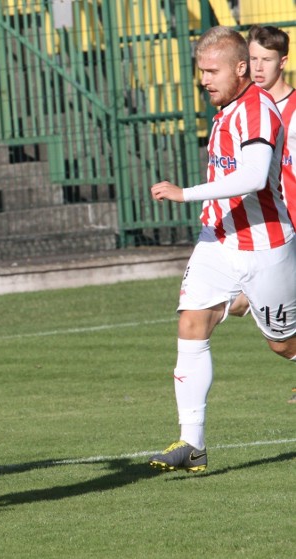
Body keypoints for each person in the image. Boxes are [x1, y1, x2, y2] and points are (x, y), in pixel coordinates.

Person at [148, 26, 296, 473]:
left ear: (240, 68)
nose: (204, 80)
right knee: (193, 321)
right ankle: (191, 444)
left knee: (284, 346)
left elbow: (252, 177)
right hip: (218, 239)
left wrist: (184, 193)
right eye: (200, 73)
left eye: (212, 71)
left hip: (265, 244)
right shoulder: (228, 108)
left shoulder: (256, 110)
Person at [232, 25, 296, 404]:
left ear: (282, 62)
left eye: (265, 60)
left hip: (289, 226)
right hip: (266, 229)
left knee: (237, 305)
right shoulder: (244, 109)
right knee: (240, 307)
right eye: (252, 59)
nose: (257, 67)